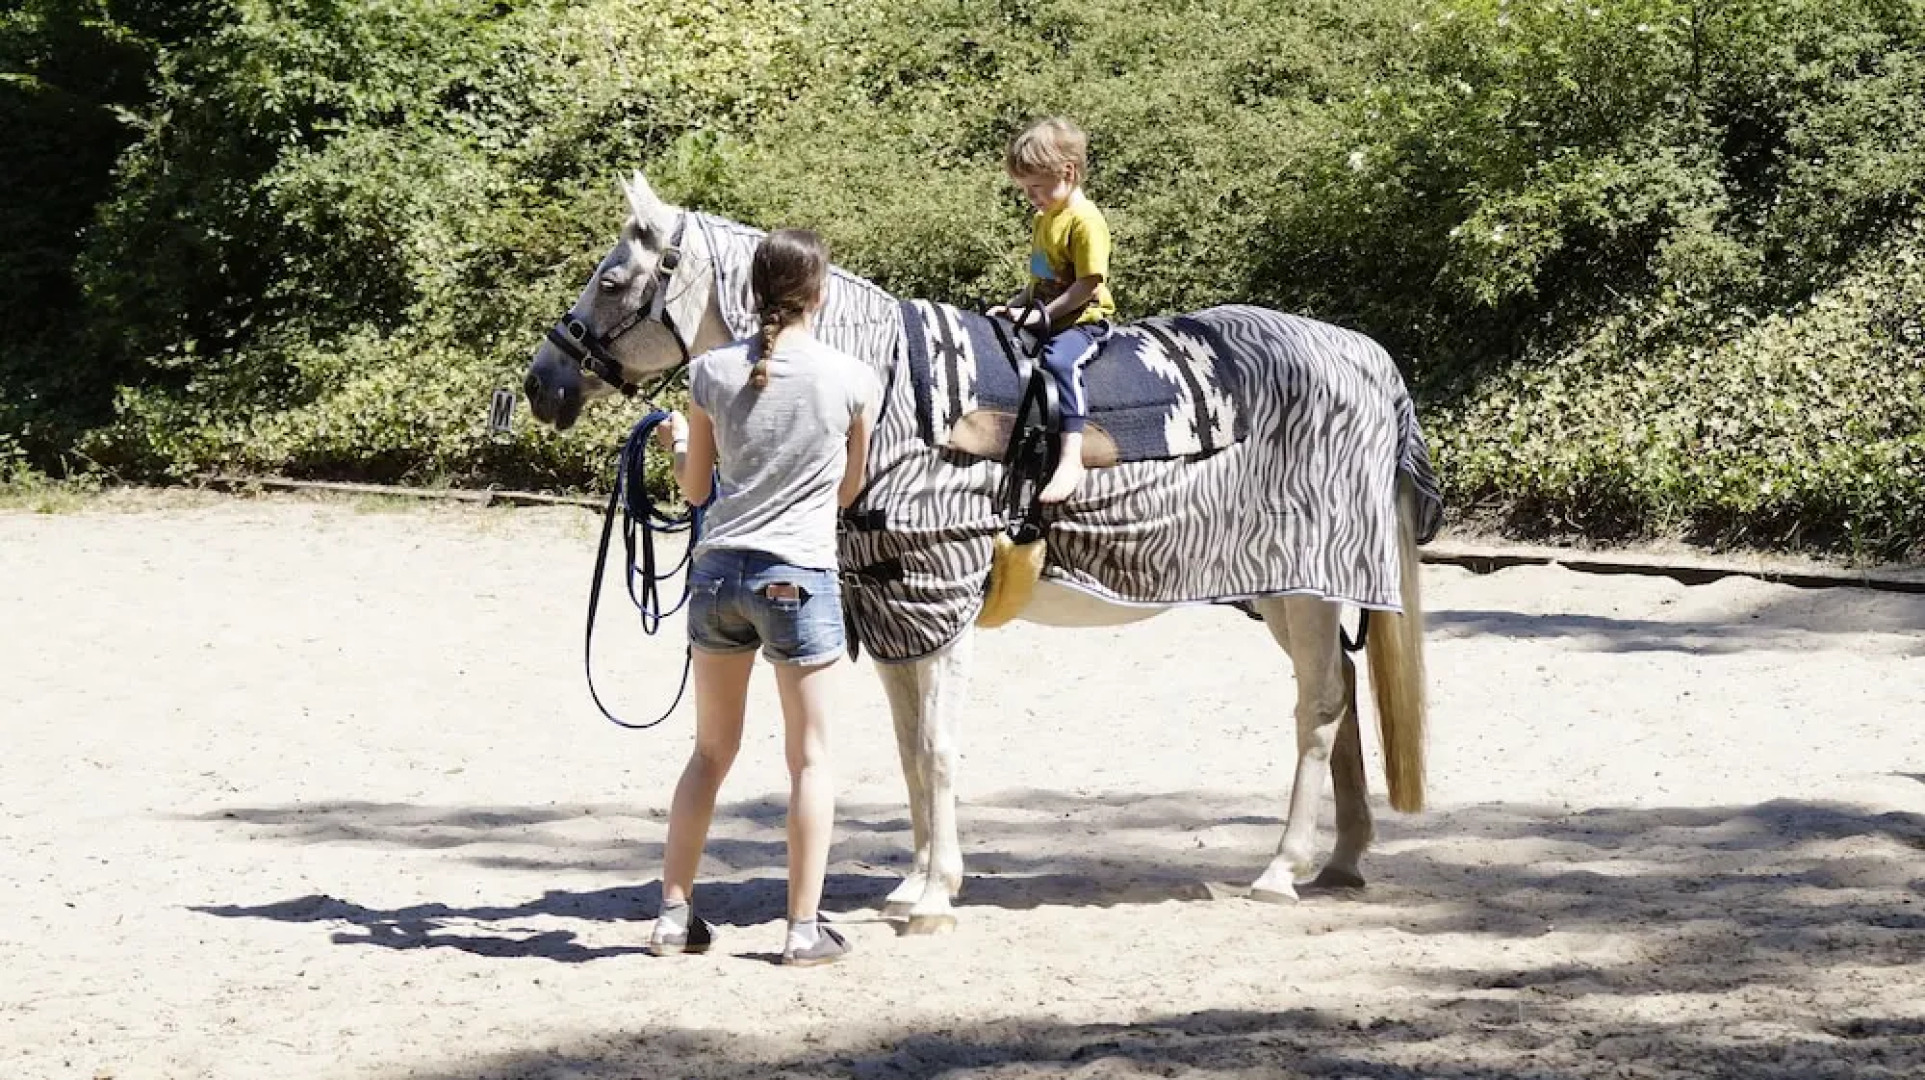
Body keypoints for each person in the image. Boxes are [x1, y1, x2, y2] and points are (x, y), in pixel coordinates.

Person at [648, 227, 879, 966]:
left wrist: (681, 445)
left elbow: (694, 491)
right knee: (809, 758)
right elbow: (850, 491)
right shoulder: (852, 379)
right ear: (820, 292)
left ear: (755, 291)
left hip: (717, 574)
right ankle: (802, 928)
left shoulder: (710, 373)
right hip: (797, 575)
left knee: (709, 754)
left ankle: (671, 916)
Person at [988, 116, 1117, 504]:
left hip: (1082, 322)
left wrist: (1040, 317)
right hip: (1045, 316)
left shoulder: (1085, 222)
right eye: (1027, 191)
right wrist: (1014, 307)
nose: (1033, 198)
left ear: (1068, 172)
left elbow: (1087, 284)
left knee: (1061, 363)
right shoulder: (1044, 219)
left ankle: (1071, 458)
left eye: (1036, 189)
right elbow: (1039, 281)